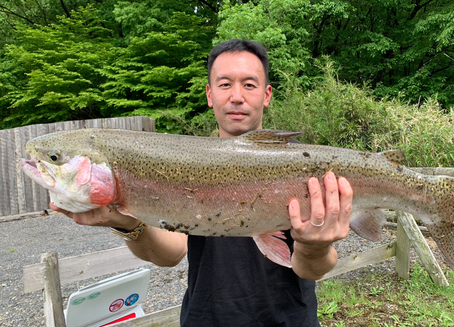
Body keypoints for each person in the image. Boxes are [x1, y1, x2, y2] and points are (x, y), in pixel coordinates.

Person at [52, 39, 353, 326]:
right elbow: (170, 254)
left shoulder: (306, 168)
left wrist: (314, 248)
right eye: (225, 84)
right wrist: (127, 223)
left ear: (267, 95)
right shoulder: (180, 165)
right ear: (210, 95)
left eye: (249, 84)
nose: (237, 96)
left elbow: (313, 269)